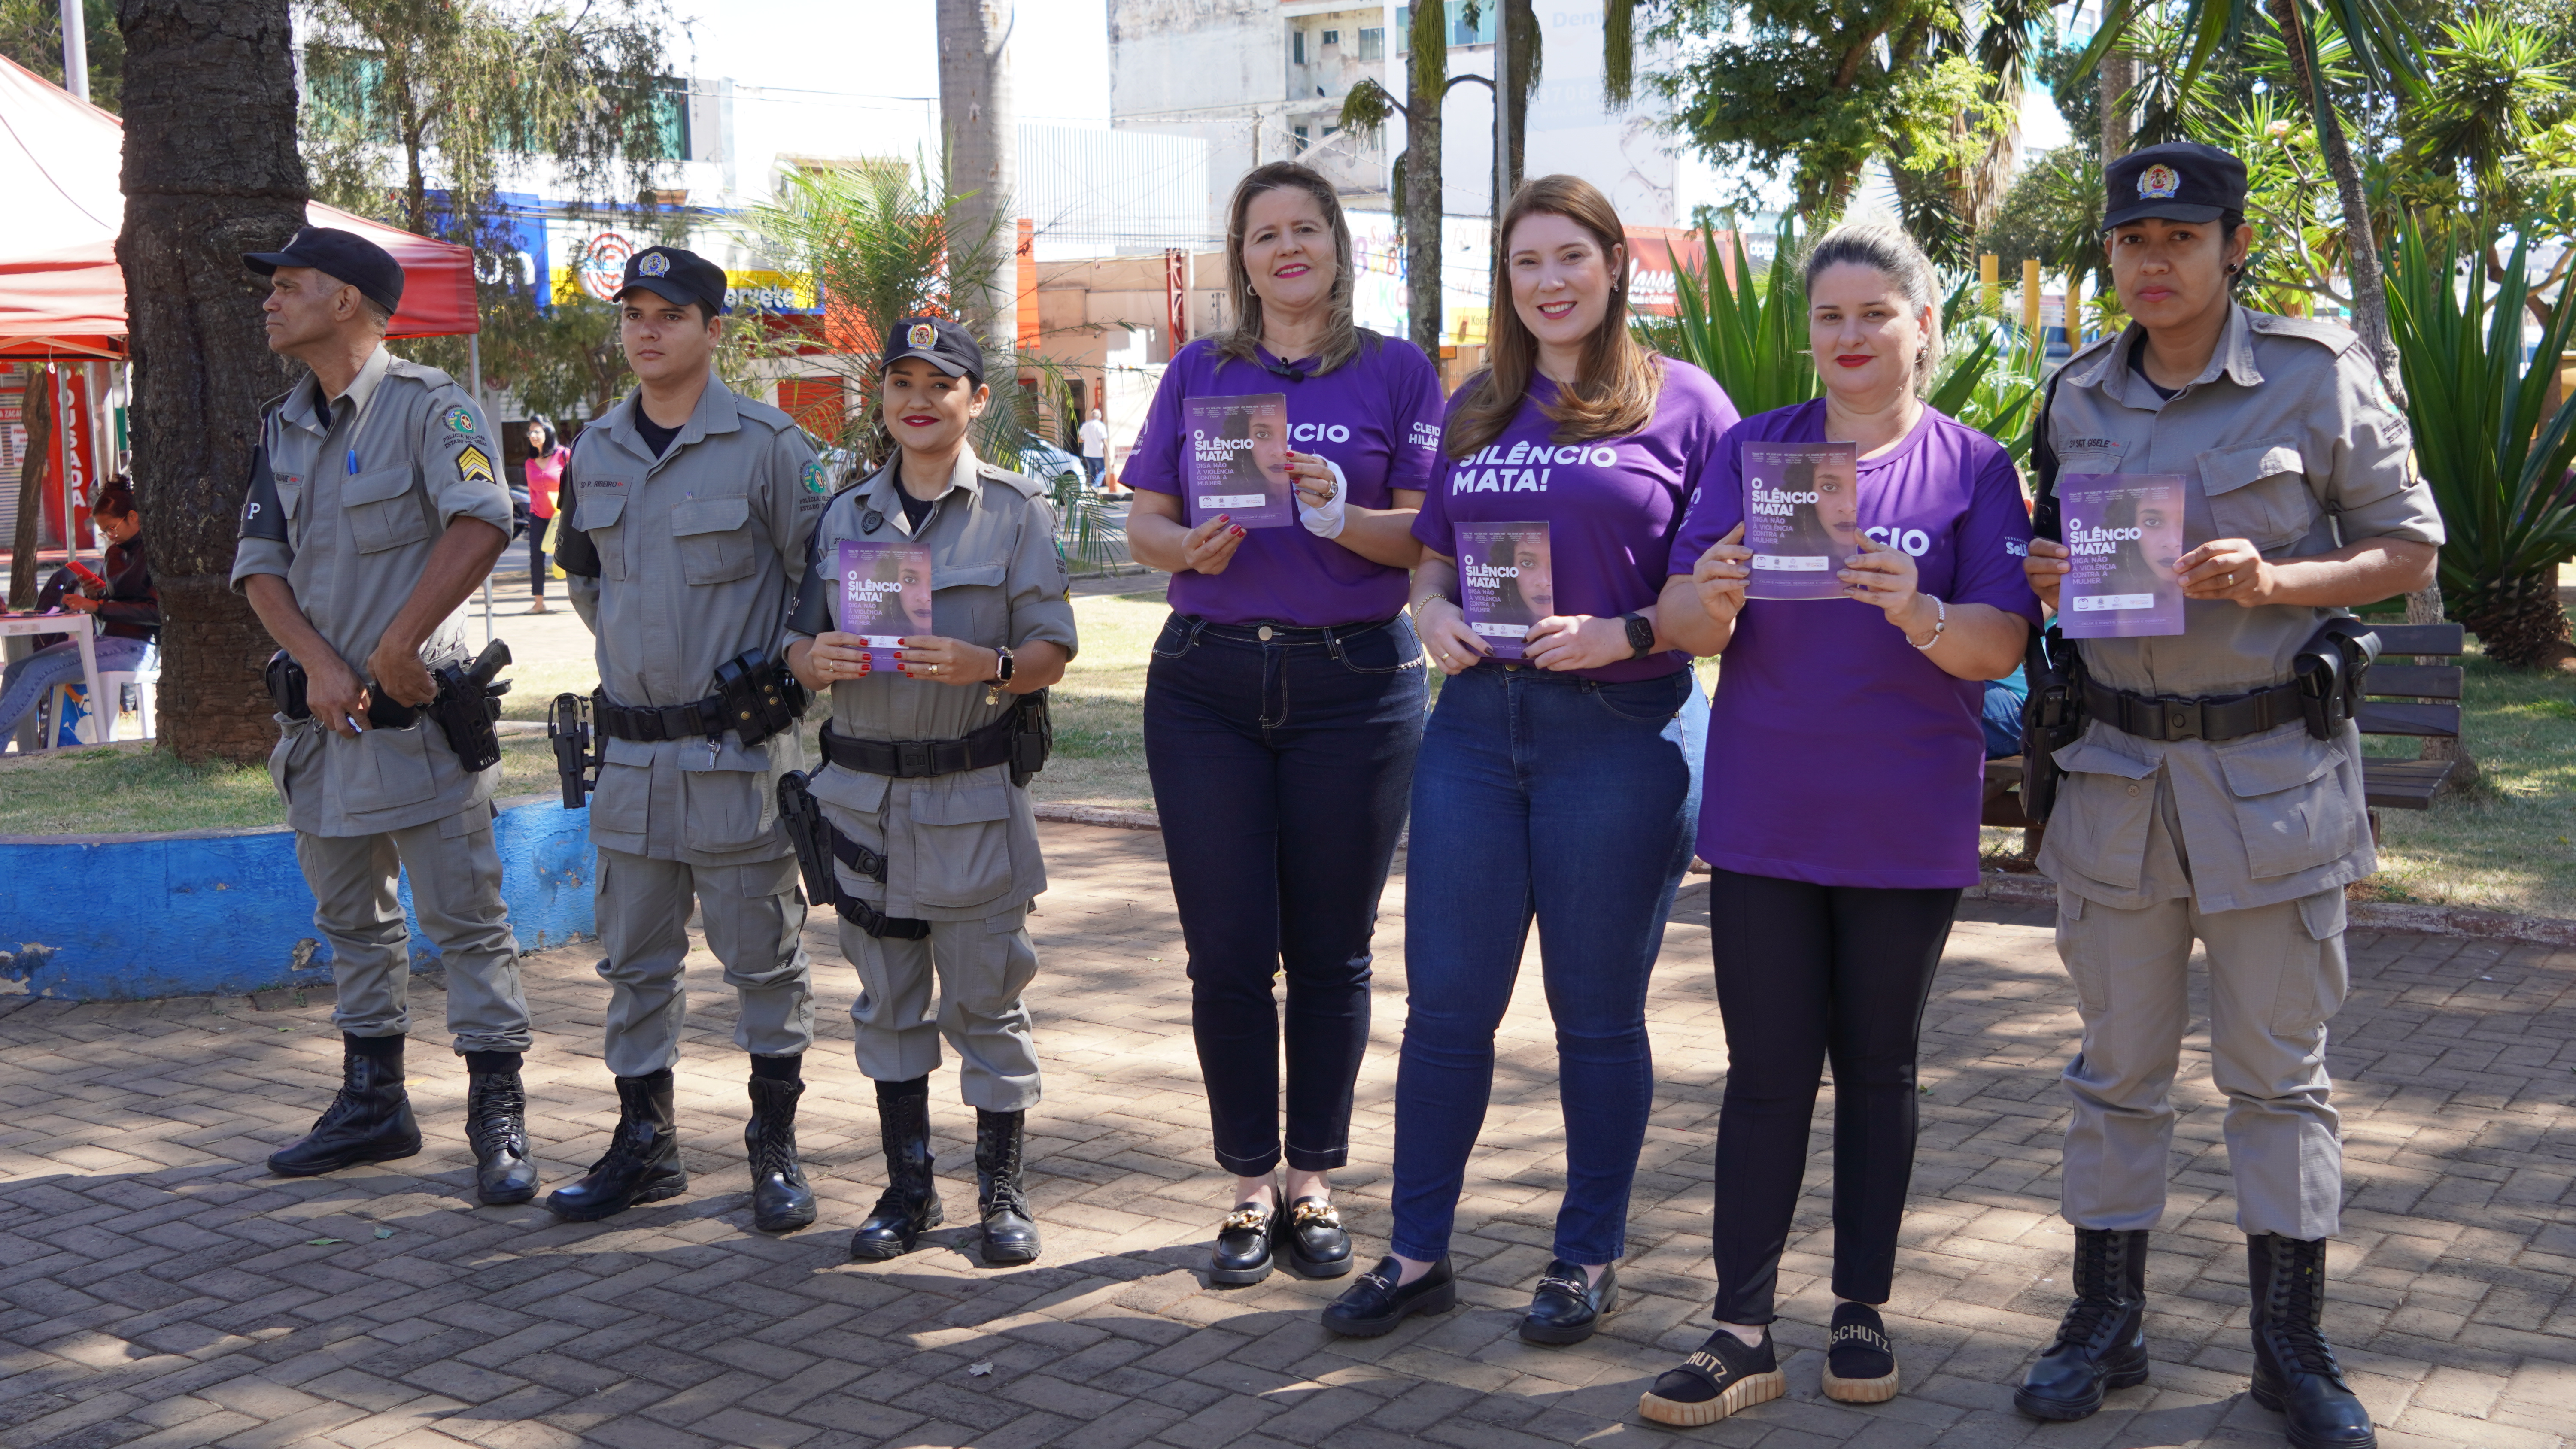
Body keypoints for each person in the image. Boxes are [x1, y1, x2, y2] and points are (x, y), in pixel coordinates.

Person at [2013, 142, 2439, 1449]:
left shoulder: (2312, 378)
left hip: (2268, 782)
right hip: (2114, 779)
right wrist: (2044, 574)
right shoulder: (2074, 393)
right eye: (2131, 244)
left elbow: (2408, 550)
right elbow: (2064, 561)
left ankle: (2287, 1344)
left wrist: (2273, 583)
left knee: (2276, 1077)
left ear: (2230, 245)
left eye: (2181, 240)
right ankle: (2106, 1320)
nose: (2153, 263)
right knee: (2115, 1071)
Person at [1638, 222, 2041, 1426]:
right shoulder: (1754, 451)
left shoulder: (1972, 466)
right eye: (1830, 317)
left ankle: (1861, 1307)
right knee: (1765, 1074)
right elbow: (1678, 621)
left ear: (1923, 324)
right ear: (1807, 331)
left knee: (1880, 1069)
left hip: (1906, 815)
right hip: (1768, 812)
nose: (1852, 337)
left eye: (1876, 314)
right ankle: (1740, 1328)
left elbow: (2002, 644)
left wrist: (1919, 610)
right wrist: (1707, 599)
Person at [1321, 174, 1732, 1344]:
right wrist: (1429, 609)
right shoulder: (1478, 406)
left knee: (1595, 1015)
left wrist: (1629, 631)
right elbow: (1432, 555)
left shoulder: (1688, 407)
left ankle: (1585, 1256)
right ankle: (1416, 1255)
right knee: (1446, 1009)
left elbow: (1722, 596)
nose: (1549, 283)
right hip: (1473, 733)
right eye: (1525, 264)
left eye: (1570, 258)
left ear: (1615, 265)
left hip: (1621, 732)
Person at [1122, 161, 1445, 1288]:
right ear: (1243, 257)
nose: (1288, 249)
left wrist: (1339, 511)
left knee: (1332, 951)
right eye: (1267, 234)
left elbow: (1423, 540)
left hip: (1356, 689)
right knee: (1225, 953)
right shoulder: (1200, 372)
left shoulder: (1399, 374)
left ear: (1337, 248)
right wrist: (1187, 549)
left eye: (1308, 229)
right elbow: (1146, 526)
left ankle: (1313, 1181)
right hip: (1206, 685)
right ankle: (1248, 1186)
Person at [229, 226, 538, 1206]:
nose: (271, 303)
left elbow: (486, 520)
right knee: (351, 923)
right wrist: (318, 662)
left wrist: (397, 645)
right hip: (320, 733)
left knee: (468, 925)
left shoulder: (429, 407)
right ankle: (374, 1104)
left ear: (348, 303)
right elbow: (259, 567)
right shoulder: (281, 424)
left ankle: (498, 1115)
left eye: (290, 287)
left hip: (415, 726)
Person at [783, 315, 1078, 1266]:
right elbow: (799, 640)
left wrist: (986, 662)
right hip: (861, 801)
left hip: (970, 797)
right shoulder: (844, 515)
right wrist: (810, 659)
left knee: (988, 1000)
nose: (918, 399)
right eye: (901, 381)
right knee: (888, 1002)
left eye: (940, 383)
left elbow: (1052, 650)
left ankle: (1000, 1191)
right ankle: (909, 1187)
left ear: (975, 400)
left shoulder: (1015, 511)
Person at [545, 246, 825, 1230]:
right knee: (633, 964)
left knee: (765, 962)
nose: (647, 331)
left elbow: (821, 584)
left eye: (669, 314)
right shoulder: (596, 451)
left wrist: (780, 674)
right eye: (633, 314)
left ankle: (774, 1150)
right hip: (631, 761)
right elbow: (585, 578)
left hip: (739, 759)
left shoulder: (772, 446)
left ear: (714, 330)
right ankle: (645, 1145)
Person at [1, 480, 156, 745]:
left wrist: (99, 606)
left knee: (38, 671)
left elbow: (155, 613)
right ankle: (18, 747)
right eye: (104, 532)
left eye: (112, 528)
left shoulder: (153, 552)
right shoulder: (115, 554)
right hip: (107, 641)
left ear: (133, 517)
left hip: (137, 647)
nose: (110, 536)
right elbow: (116, 605)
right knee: (17, 669)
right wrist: (98, 595)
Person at [521, 418, 569, 614]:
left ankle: (583, 597)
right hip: (539, 517)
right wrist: (532, 519)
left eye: (537, 431)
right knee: (536, 558)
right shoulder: (529, 463)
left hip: (563, 516)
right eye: (530, 432)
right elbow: (533, 494)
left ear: (548, 432)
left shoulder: (564, 455)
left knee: (570, 558)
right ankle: (539, 603)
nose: (533, 436)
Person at [1077, 406, 1109, 491]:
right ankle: (1095, 486)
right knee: (1102, 470)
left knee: (1092, 472)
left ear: (1091, 417)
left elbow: (1080, 439)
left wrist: (1088, 440)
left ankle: (1093, 486)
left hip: (1087, 453)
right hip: (1098, 453)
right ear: (1100, 417)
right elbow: (1104, 441)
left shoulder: (1085, 426)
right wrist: (1108, 453)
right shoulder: (1101, 426)